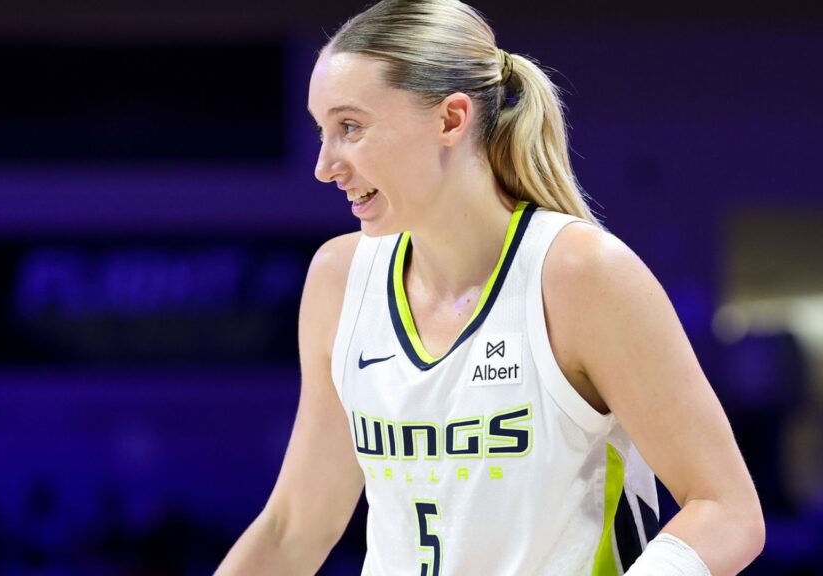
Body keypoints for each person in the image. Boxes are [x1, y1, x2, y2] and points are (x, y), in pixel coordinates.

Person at [216, 0, 764, 574]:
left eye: (349, 127)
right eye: (322, 130)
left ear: (451, 120)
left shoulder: (581, 275)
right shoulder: (338, 278)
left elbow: (726, 511)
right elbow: (293, 528)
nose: (325, 165)